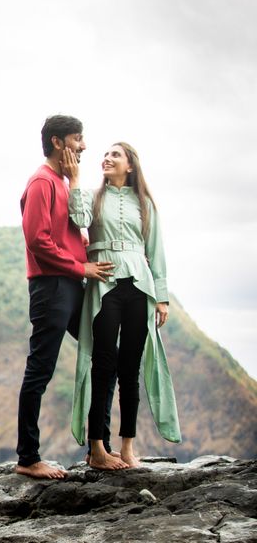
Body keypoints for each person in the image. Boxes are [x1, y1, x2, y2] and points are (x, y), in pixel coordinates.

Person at [63, 142, 181, 470]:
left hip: (139, 287)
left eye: (115, 155)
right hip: (104, 286)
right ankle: (98, 448)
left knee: (130, 369)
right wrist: (74, 181)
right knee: (103, 364)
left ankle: (128, 447)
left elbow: (155, 251)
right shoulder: (92, 196)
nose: (107, 158)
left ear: (130, 165)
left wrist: (161, 297)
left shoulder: (144, 203)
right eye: (106, 154)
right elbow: (79, 217)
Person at [16, 115, 117, 480]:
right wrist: (81, 268)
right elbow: (37, 241)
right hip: (53, 287)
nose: (84, 146)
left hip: (72, 285)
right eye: (78, 139)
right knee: (40, 370)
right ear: (58, 142)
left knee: (108, 354)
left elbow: (66, 234)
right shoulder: (42, 182)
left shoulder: (62, 182)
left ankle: (98, 448)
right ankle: (28, 458)